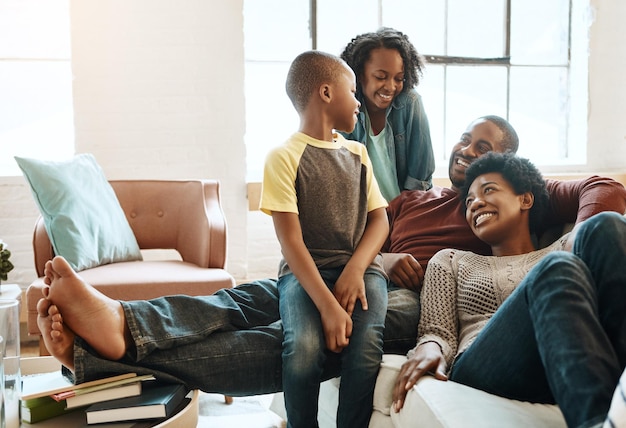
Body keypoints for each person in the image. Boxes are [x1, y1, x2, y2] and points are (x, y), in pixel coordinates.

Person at [36, 116, 626, 397]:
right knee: (257, 297)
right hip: (359, 275)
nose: (467, 153)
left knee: (298, 338)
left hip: (418, 302)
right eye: (465, 141)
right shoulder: (415, 198)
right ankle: (124, 325)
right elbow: (363, 229)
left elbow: (605, 195)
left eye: (485, 150)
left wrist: (531, 198)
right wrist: (371, 262)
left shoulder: (503, 209)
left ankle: (110, 353)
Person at [391, 152, 626, 428]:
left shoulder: (564, 247)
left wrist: (580, 231)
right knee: (556, 268)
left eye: (488, 190)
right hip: (484, 363)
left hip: (569, 354)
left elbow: (604, 189)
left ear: (525, 199)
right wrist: (431, 347)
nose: (476, 203)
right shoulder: (451, 260)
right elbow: (436, 331)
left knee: (606, 225)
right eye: (469, 202)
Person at [260, 50, 389, 427]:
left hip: (362, 272)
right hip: (304, 274)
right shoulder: (282, 157)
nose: (359, 104)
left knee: (365, 349)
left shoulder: (358, 153)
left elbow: (380, 221)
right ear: (327, 93)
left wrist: (354, 271)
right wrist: (329, 307)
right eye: (353, 91)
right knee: (303, 348)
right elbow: (291, 244)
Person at [338, 27, 435, 201]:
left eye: (399, 78)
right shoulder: (346, 107)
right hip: (363, 216)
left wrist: (402, 220)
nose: (391, 87)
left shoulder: (410, 104)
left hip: (407, 212)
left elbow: (420, 180)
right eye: (381, 77)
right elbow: (341, 174)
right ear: (359, 74)